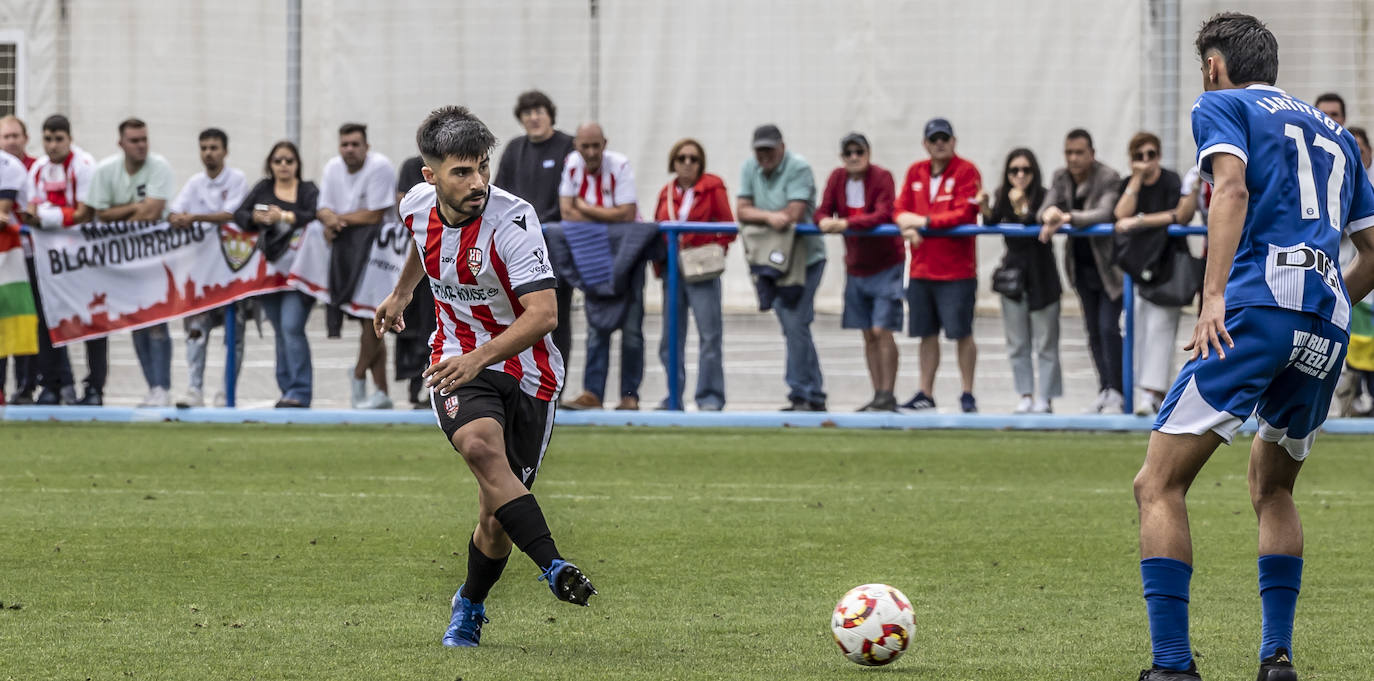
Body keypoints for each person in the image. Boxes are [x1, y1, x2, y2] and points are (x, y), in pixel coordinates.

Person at [1133, 14, 1374, 681]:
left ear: (1213, 64)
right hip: (1323, 324)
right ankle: (1277, 658)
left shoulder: (1221, 103)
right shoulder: (1336, 134)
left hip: (1254, 311)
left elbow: (1231, 188)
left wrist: (1214, 297)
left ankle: (1173, 667)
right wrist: (1324, 305)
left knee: (1158, 483)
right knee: (1273, 488)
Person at [374, 105, 595, 648]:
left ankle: (469, 602)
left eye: (482, 168)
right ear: (431, 177)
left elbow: (544, 315)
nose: (477, 183)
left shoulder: (514, 222)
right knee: (477, 445)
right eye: (461, 172)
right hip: (454, 355)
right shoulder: (416, 204)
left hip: (530, 373)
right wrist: (404, 291)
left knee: (494, 522)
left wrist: (482, 357)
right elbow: (421, 242)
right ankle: (553, 565)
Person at [86, 118, 178, 407]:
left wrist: (125, 214)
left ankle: (162, 386)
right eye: (135, 140)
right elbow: (101, 213)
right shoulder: (106, 170)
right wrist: (134, 208)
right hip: (123, 263)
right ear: (121, 143)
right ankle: (152, 386)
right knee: (137, 322)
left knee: (157, 322)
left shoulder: (159, 166)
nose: (141, 145)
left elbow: (153, 212)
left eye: (144, 139)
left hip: (154, 259)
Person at [894, 118, 982, 413]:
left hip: (956, 270)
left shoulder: (966, 170)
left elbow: (964, 213)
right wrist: (905, 226)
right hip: (921, 268)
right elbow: (899, 209)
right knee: (926, 333)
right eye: (934, 139)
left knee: (961, 332)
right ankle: (925, 392)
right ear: (925, 144)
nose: (940, 143)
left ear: (954, 141)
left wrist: (924, 222)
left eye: (945, 138)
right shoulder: (915, 171)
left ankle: (967, 392)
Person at [738, 124, 824, 411]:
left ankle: (802, 392)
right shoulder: (750, 167)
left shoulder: (798, 167)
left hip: (804, 258)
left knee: (795, 323)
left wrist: (764, 217)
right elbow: (742, 209)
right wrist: (769, 217)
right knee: (793, 326)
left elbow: (794, 213)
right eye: (760, 150)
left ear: (782, 147)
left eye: (770, 149)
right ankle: (812, 393)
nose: (765, 155)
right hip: (771, 259)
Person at [557, 122, 642, 411]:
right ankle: (592, 393)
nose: (591, 152)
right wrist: (607, 216)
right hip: (592, 253)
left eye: (596, 146)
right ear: (576, 146)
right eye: (585, 146)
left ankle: (629, 396)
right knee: (597, 324)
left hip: (627, 254)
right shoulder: (571, 164)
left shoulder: (620, 165)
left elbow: (628, 214)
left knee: (631, 329)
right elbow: (567, 213)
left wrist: (586, 209)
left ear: (605, 143)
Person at [1039, 129, 1124, 413]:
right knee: (1093, 331)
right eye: (1069, 152)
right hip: (1080, 267)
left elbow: (1104, 212)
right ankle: (1105, 388)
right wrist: (1050, 214)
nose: (1073, 158)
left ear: (1092, 153)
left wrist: (1065, 217)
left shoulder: (1108, 177)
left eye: (1079, 152)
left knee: (1109, 328)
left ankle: (1118, 390)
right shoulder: (1061, 177)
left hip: (1109, 268)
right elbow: (1045, 207)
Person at [815, 132, 900, 411]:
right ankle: (878, 393)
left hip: (886, 264)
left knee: (882, 329)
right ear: (842, 157)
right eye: (848, 153)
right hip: (855, 266)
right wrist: (827, 221)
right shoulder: (837, 178)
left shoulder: (882, 177)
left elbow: (883, 214)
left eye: (859, 152)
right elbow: (821, 212)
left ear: (868, 153)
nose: (854, 157)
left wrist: (846, 224)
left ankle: (888, 392)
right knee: (867, 333)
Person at [496, 91, 579, 373]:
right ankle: (522, 380)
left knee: (556, 317)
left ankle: (557, 384)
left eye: (539, 111)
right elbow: (500, 195)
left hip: (555, 247)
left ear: (550, 114)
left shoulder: (568, 147)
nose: (533, 118)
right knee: (515, 317)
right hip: (517, 249)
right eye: (527, 113)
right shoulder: (514, 149)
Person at [167, 128, 249, 408]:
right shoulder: (194, 183)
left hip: (229, 275)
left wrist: (194, 218)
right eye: (203, 148)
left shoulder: (237, 179)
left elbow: (232, 214)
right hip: (200, 275)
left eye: (214, 147)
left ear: (225, 151)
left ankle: (226, 391)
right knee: (195, 333)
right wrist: (178, 218)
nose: (208, 153)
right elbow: (176, 212)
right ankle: (194, 389)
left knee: (234, 336)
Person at [317, 123, 397, 410]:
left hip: (380, 252)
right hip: (348, 250)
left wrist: (338, 220)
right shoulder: (331, 168)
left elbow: (375, 214)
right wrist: (329, 218)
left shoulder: (380, 167)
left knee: (374, 318)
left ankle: (358, 373)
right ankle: (382, 393)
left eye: (355, 144)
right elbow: (323, 208)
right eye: (345, 144)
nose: (349, 149)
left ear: (366, 146)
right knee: (369, 320)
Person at [22, 115, 100, 405]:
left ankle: (94, 387)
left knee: (91, 319)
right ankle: (51, 385)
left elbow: (85, 212)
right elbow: (31, 208)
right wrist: (40, 216)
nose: (53, 145)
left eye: (58, 139)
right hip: (47, 259)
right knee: (46, 320)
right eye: (48, 139)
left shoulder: (84, 165)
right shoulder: (39, 169)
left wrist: (48, 217)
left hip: (80, 257)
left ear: (69, 138)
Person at [234, 141, 319, 408]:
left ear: (297, 165)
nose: (283, 165)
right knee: (281, 332)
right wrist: (259, 218)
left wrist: (284, 216)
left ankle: (300, 389)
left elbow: (314, 215)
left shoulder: (308, 190)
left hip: (300, 272)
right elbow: (240, 215)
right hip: (270, 274)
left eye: (289, 161)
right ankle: (287, 388)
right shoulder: (263, 188)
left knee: (292, 327)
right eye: (278, 160)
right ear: (270, 164)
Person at [977, 148, 1061, 413]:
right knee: (1017, 342)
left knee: (1046, 341)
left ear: (1034, 172)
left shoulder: (1045, 195)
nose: (1020, 175)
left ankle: (1045, 398)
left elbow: (1031, 221)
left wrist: (1021, 204)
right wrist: (984, 205)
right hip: (1014, 278)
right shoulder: (1004, 194)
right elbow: (990, 221)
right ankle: (1025, 394)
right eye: (1014, 170)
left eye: (1026, 170)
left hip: (1043, 276)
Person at [653, 137, 734, 411]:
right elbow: (657, 227)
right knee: (670, 337)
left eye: (693, 159)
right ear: (673, 162)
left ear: (701, 163)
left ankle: (710, 396)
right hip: (672, 270)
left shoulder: (713, 186)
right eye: (682, 158)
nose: (687, 163)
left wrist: (716, 251)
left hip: (702, 268)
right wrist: (659, 265)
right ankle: (673, 395)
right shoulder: (666, 192)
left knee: (709, 335)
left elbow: (728, 226)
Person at [1113, 132, 1184, 415]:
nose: (1146, 161)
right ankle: (1148, 391)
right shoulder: (1130, 183)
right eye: (1139, 156)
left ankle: (1151, 393)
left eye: (1151, 155)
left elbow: (1178, 214)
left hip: (1167, 266)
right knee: (1135, 327)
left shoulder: (1170, 180)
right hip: (1139, 269)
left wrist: (1139, 221)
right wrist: (1135, 180)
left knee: (1161, 329)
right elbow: (1120, 213)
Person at [393, 155, 438, 409]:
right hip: (422, 260)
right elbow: (406, 212)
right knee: (413, 327)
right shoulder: (411, 166)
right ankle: (415, 385)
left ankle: (437, 388)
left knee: (436, 327)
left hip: (445, 266)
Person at [0, 114, 36, 403]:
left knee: (23, 322)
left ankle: (26, 389)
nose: (11, 141)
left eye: (15, 135)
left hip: (21, 256)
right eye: (5, 136)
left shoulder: (12, 167)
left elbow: (3, 215)